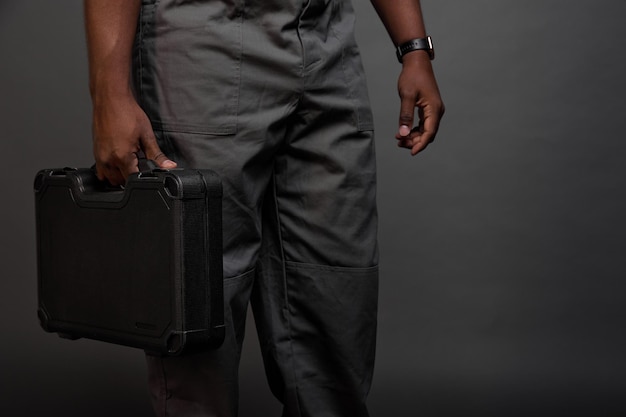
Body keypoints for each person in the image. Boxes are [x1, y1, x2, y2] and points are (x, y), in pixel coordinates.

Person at [84, 0, 444, 416]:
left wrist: (414, 46)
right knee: (201, 304)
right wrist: (108, 90)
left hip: (325, 37)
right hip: (205, 38)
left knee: (335, 303)